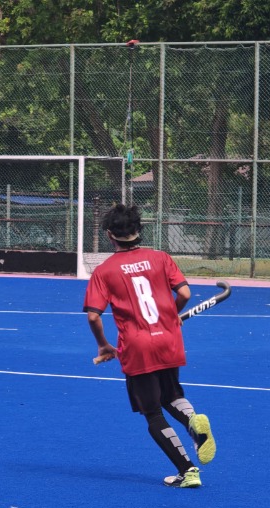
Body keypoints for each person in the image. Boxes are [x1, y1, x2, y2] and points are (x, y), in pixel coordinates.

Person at [83, 203, 216, 488]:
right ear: (139, 230)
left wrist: (104, 345)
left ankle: (188, 471)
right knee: (171, 394)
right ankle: (193, 421)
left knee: (152, 413)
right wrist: (171, 316)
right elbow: (184, 293)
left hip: (137, 346)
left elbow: (93, 316)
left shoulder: (104, 271)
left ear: (109, 235)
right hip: (168, 339)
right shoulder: (160, 257)